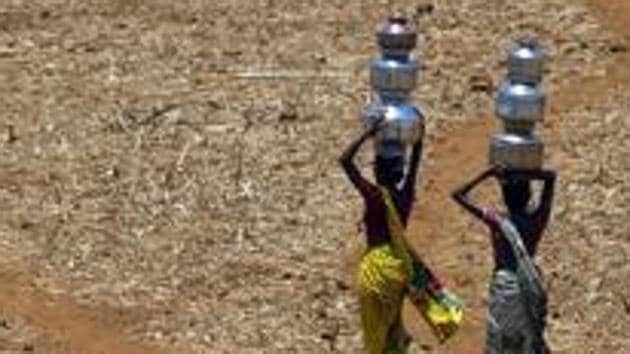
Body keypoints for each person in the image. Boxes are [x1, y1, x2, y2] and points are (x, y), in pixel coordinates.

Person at [340, 117, 461, 354]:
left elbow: (345, 161)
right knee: (392, 324)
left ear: (377, 170)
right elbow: (415, 164)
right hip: (397, 269)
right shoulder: (405, 196)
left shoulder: (374, 196)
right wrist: (418, 136)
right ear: (400, 173)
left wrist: (369, 134)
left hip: (376, 269)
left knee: (376, 334)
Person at [452, 164, 556, 354]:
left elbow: (457, 194)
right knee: (529, 339)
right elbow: (551, 176)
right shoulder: (538, 220)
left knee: (501, 342)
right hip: (528, 287)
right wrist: (525, 172)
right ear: (528, 196)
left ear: (505, 199)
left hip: (504, 287)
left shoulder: (497, 221)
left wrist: (487, 173)